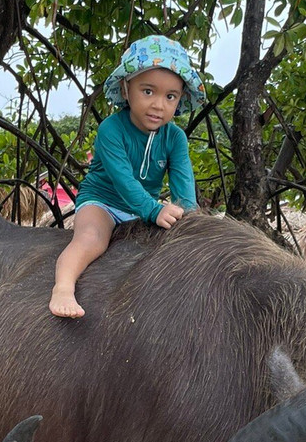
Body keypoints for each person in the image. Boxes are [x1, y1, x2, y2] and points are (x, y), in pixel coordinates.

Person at [49, 35, 205, 317]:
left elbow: (184, 188)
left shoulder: (175, 138)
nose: (158, 105)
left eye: (170, 96)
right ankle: (63, 287)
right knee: (91, 238)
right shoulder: (111, 130)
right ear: (125, 89)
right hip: (104, 201)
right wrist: (153, 209)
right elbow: (123, 181)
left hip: (144, 210)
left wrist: (190, 221)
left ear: (180, 99)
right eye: (148, 91)